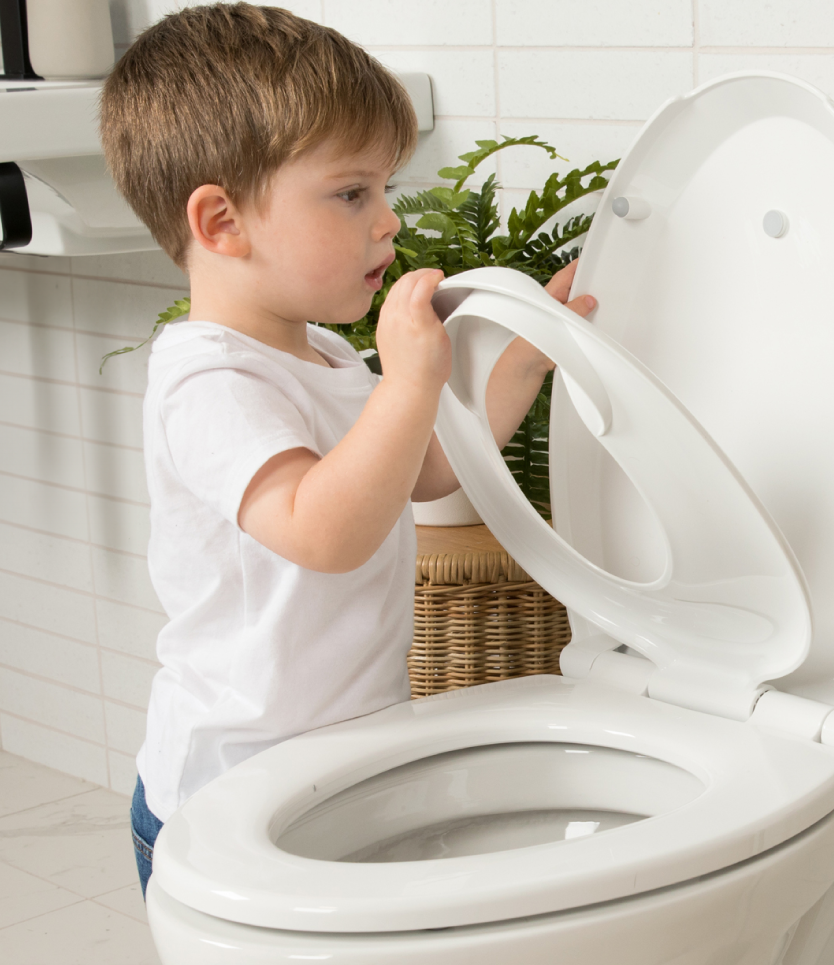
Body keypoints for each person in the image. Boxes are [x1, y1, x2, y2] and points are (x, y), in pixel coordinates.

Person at [99, 2, 596, 898]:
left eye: (387, 192)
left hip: (327, 763)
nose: (388, 224)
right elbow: (322, 532)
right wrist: (407, 380)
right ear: (221, 224)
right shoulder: (207, 380)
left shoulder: (319, 350)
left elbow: (421, 473)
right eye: (351, 192)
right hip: (225, 789)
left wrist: (528, 356)